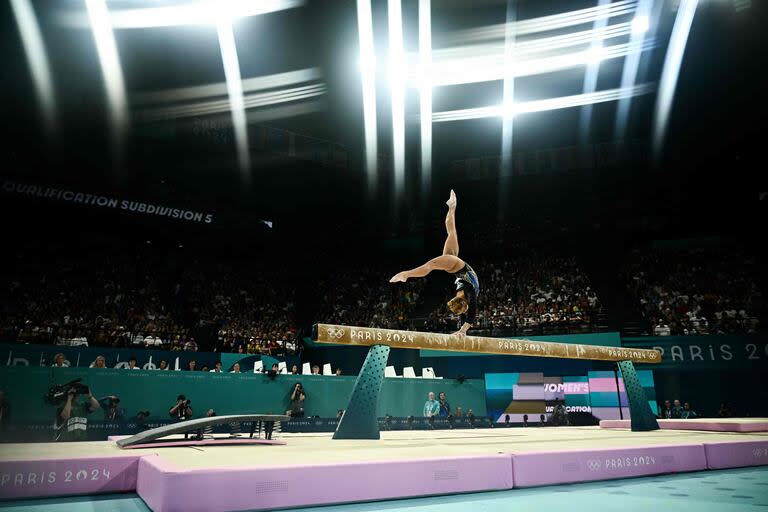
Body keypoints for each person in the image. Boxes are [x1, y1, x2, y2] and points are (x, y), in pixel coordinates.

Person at [390, 190, 479, 336]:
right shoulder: (469, 294)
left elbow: (467, 313)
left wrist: (463, 329)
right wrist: (463, 331)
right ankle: (406, 275)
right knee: (435, 257)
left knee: (448, 237)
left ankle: (452, 206)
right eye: (464, 310)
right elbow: (471, 312)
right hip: (457, 265)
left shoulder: (464, 296)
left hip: (455, 267)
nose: (465, 311)